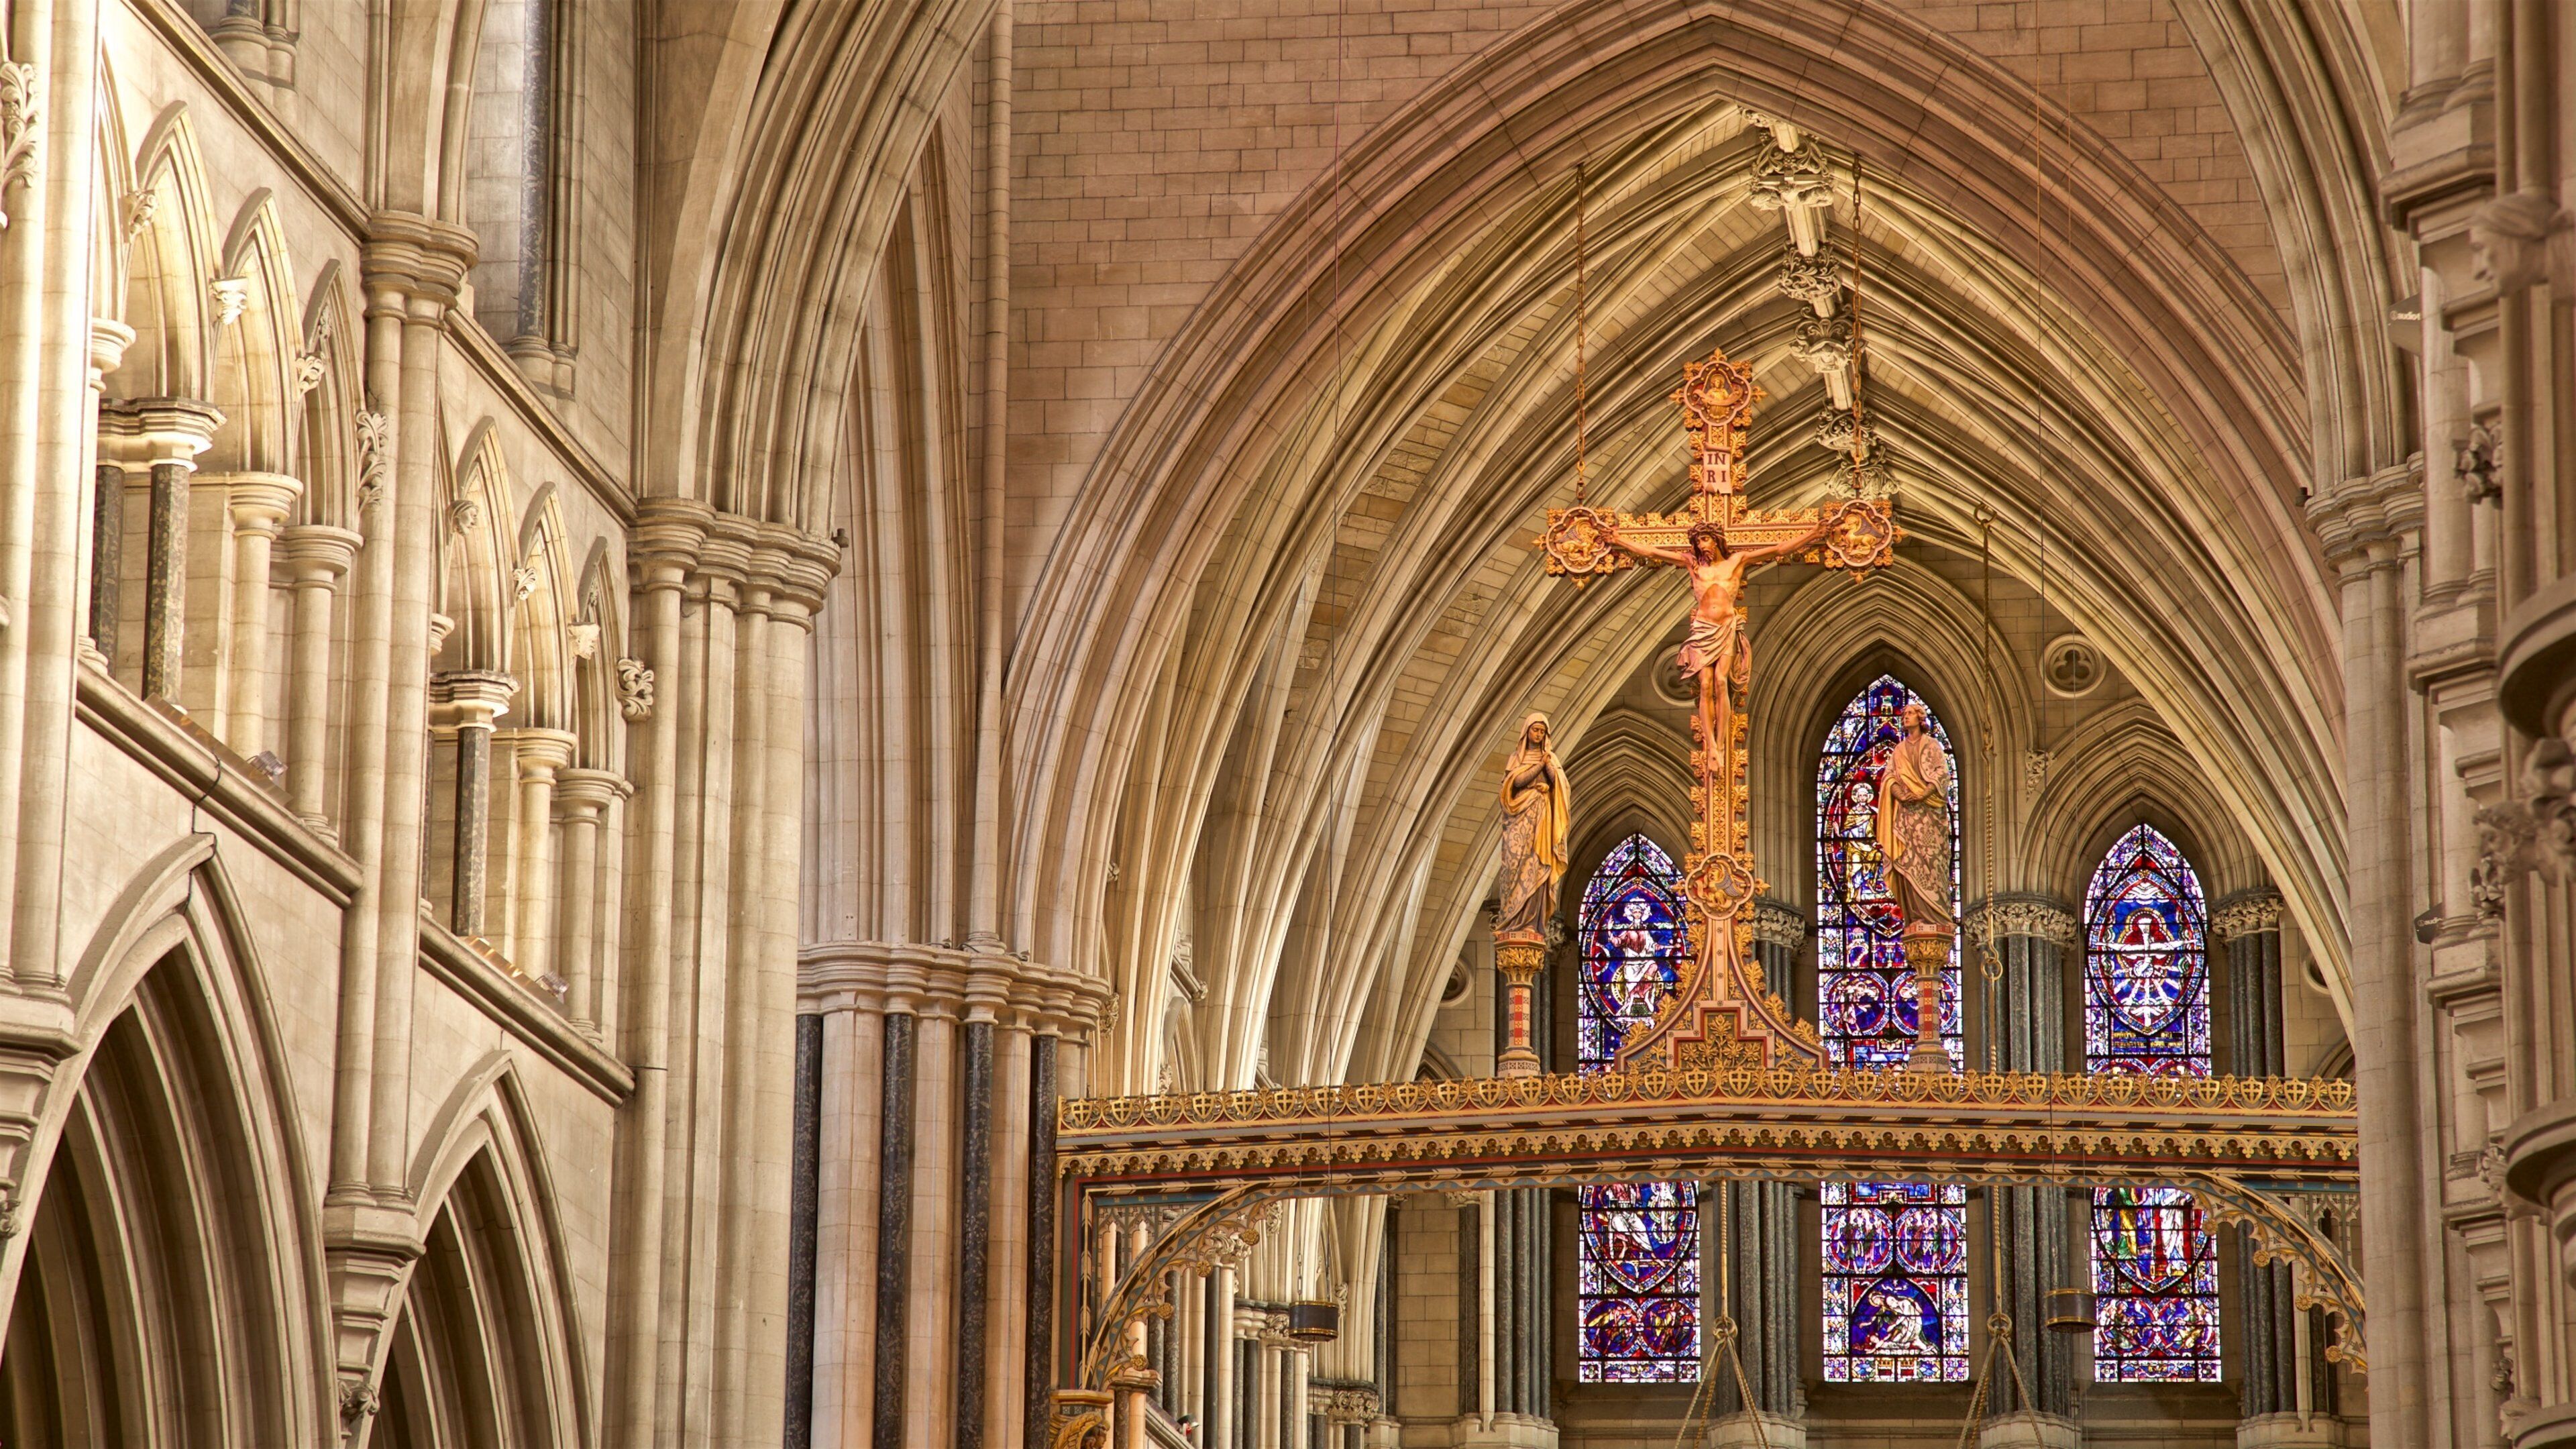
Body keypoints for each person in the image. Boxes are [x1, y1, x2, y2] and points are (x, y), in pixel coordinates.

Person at [1603, 515, 1834, 757]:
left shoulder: (1737, 561)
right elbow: (1652, 553)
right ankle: (1710, 745)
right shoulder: (1693, 563)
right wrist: (1619, 539)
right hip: (1703, 629)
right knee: (1705, 685)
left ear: (1716, 540)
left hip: (1725, 627)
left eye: (1705, 539)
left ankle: (1721, 745)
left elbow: (1778, 549)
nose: (1702, 546)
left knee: (1721, 682)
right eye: (1698, 541)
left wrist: (1814, 534)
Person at [1874, 700, 1953, 936]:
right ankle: (1916, 916)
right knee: (1907, 866)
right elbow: (1889, 778)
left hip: (1929, 817)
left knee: (1931, 866)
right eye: (1904, 714)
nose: (1905, 717)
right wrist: (1902, 795)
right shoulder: (1898, 750)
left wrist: (1923, 794)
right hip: (1906, 819)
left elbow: (1941, 775)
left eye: (1910, 714)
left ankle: (1935, 916)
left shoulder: (1932, 745)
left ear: (1920, 719)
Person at [1495, 712, 1571, 941]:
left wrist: (1548, 765)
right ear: (1526, 732)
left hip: (1542, 825)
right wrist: (1539, 765)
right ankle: (1513, 921)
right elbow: (1515, 783)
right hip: (1520, 824)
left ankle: (1531, 922)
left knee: (1538, 868)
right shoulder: (1516, 758)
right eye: (1534, 730)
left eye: (1541, 731)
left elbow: (1561, 788)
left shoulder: (1551, 759)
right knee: (1516, 869)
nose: (1537, 734)